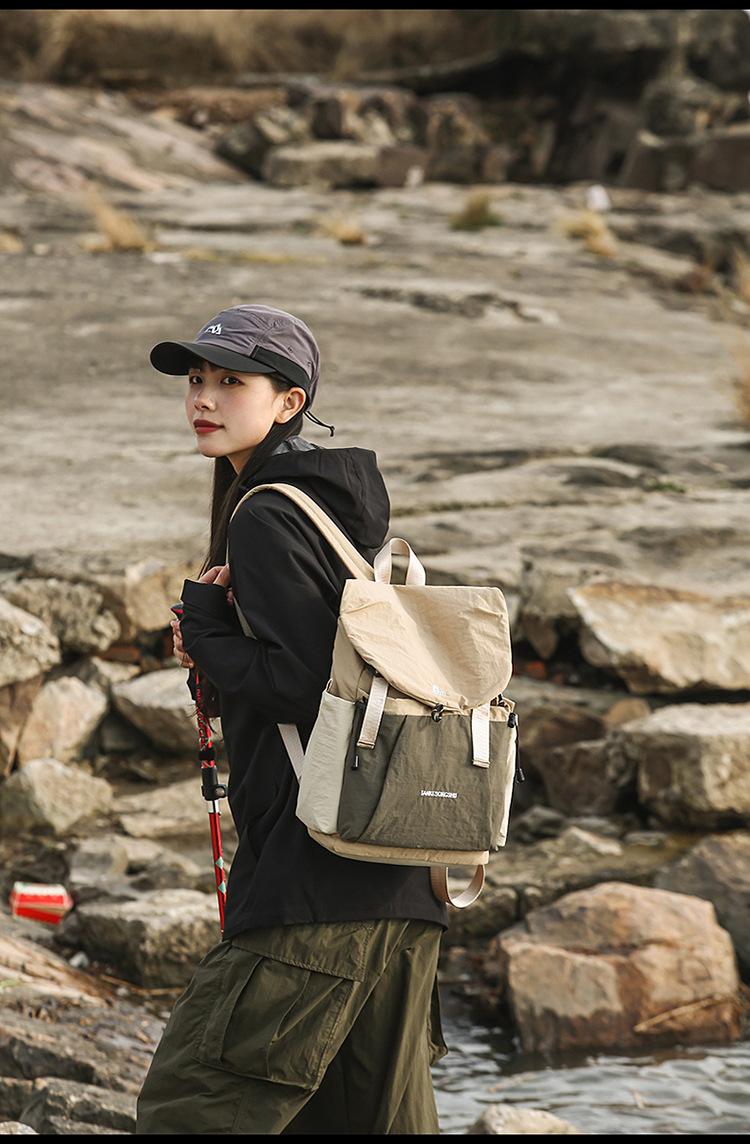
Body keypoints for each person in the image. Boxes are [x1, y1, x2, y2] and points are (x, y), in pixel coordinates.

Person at [135, 303, 449, 1135]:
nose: (203, 398)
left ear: (289, 401)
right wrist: (218, 645)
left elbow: (308, 685)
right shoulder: (331, 504)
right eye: (196, 379)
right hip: (399, 871)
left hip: (317, 877)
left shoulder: (268, 514)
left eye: (230, 382)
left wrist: (206, 634)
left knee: (191, 1109)